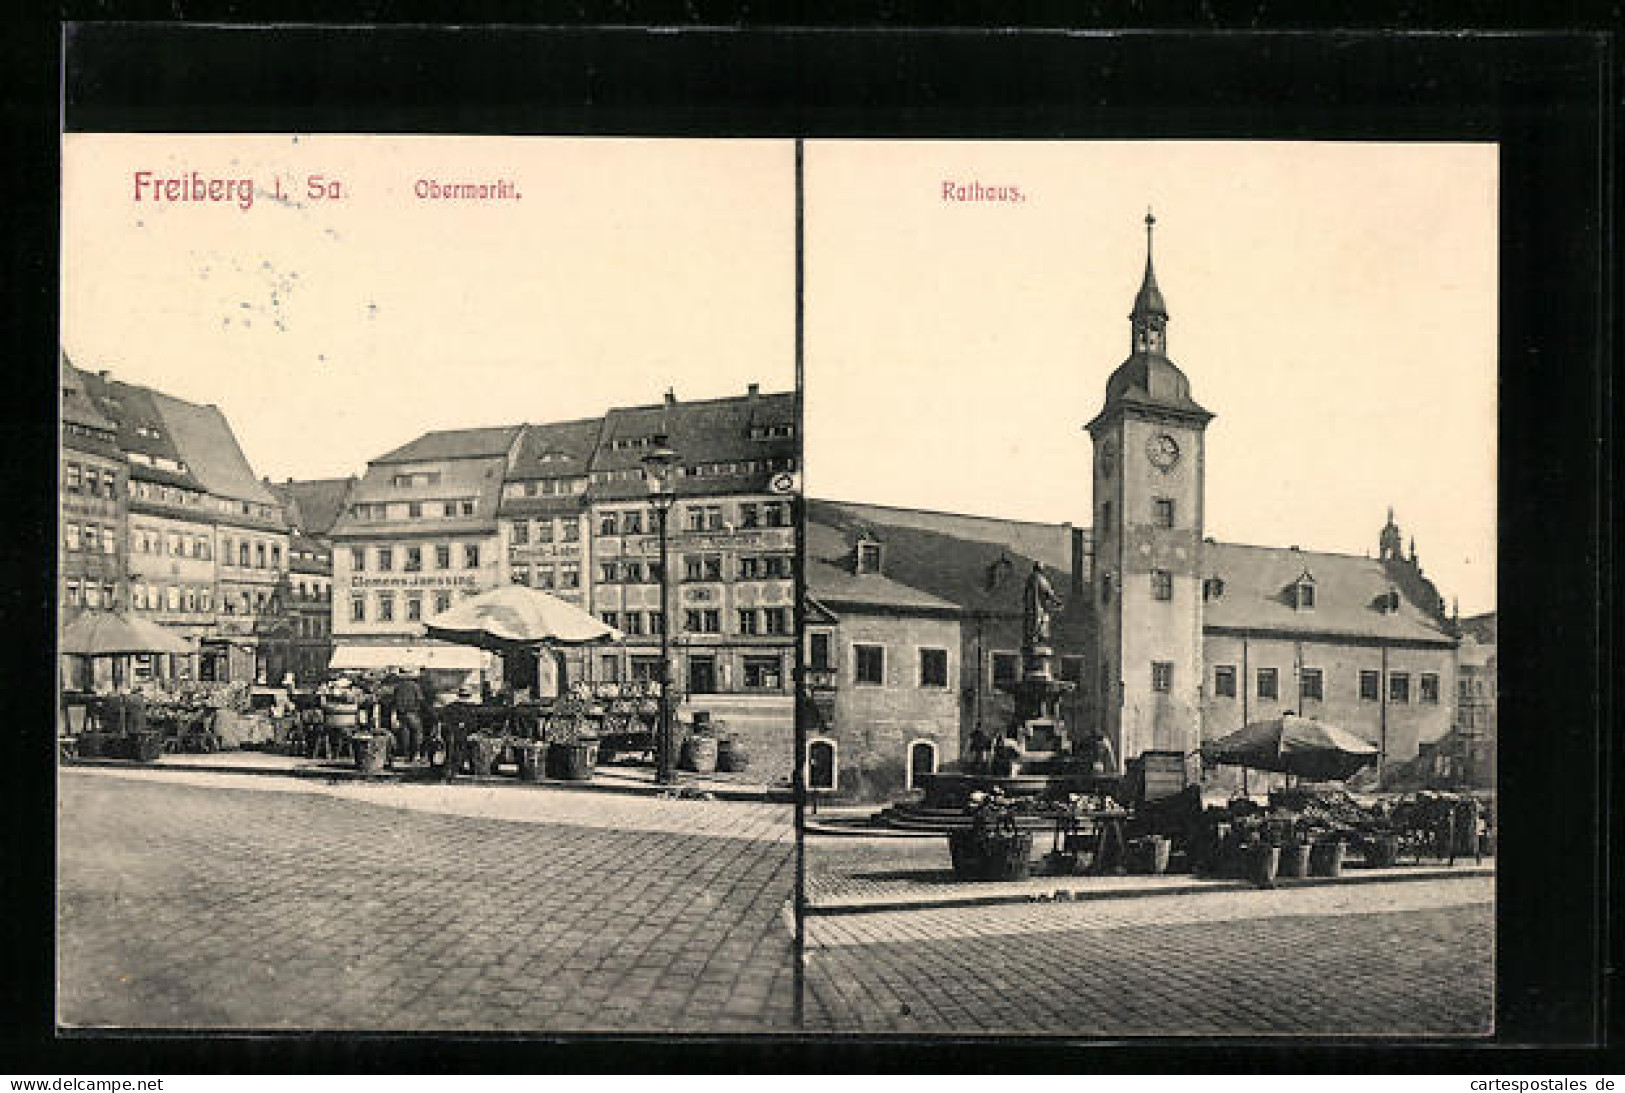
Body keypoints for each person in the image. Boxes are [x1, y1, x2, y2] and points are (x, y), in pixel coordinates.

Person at [392, 670, 427, 766]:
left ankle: (407, 756)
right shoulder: (415, 686)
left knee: (405, 735)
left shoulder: (398, 687)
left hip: (401, 714)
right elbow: (420, 700)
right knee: (417, 734)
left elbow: (394, 701)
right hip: (413, 713)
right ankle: (415, 756)